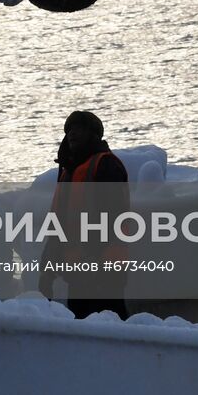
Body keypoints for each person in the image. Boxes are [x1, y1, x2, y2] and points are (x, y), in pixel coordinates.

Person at [39, 110, 129, 319]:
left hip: (104, 269)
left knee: (111, 325)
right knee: (85, 326)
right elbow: (58, 225)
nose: (72, 133)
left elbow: (114, 218)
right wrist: (48, 270)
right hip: (77, 272)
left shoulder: (106, 165)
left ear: (93, 135)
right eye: (69, 129)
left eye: (79, 128)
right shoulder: (69, 172)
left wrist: (95, 257)